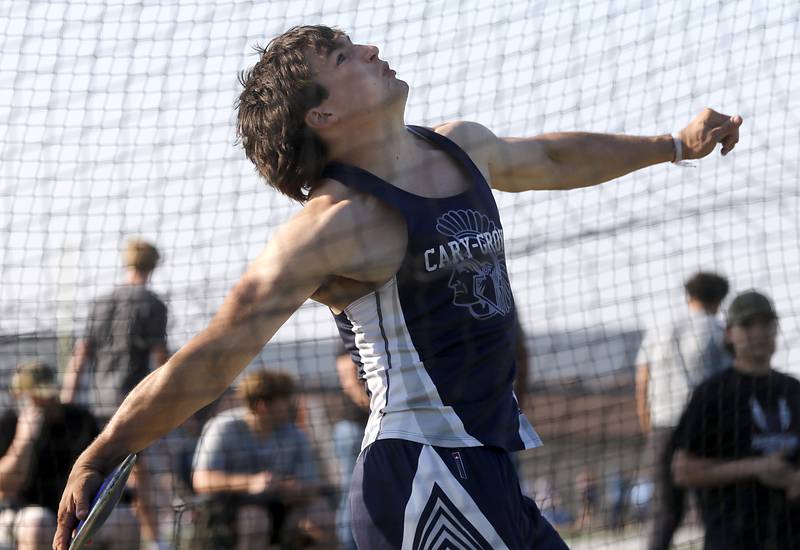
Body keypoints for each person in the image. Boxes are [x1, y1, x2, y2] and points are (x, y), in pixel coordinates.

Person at [54, 25, 742, 550]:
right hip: (422, 474)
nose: (373, 48)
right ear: (321, 115)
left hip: (485, 468)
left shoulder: (458, 146)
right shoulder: (331, 227)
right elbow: (211, 356)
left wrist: (673, 144)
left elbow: (555, 156)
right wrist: (102, 451)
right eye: (346, 55)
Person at [60, 238, 168, 549]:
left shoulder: (101, 302)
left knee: (97, 469)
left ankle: (86, 534)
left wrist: (69, 399)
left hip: (98, 403)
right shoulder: (152, 304)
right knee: (138, 472)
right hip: (132, 404)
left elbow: (81, 354)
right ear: (153, 265)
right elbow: (160, 357)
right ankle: (155, 542)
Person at [672, 290, 800, 549]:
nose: (759, 332)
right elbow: (683, 471)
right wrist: (756, 467)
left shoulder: (793, 390)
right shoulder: (712, 394)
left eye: (766, 323)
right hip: (733, 538)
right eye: (747, 324)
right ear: (729, 333)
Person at [635, 271, 731, 550]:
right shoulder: (717, 330)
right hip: (705, 429)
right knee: (715, 508)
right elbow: (726, 384)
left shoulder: (660, 327)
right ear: (719, 299)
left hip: (662, 426)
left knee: (665, 512)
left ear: (689, 295)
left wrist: (648, 426)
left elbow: (642, 379)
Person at [0, 361, 137, 550]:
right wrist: (25, 439)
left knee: (125, 521)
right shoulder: (10, 422)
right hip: (24, 512)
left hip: (78, 512)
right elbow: (7, 484)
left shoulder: (80, 420)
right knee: (37, 524)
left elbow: (106, 466)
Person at [191, 369, 330, 549]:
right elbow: (201, 480)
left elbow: (311, 486)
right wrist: (250, 483)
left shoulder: (294, 434)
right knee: (255, 520)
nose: (292, 405)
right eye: (285, 400)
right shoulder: (223, 427)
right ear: (262, 405)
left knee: (321, 513)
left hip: (282, 508)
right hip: (229, 514)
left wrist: (296, 489)